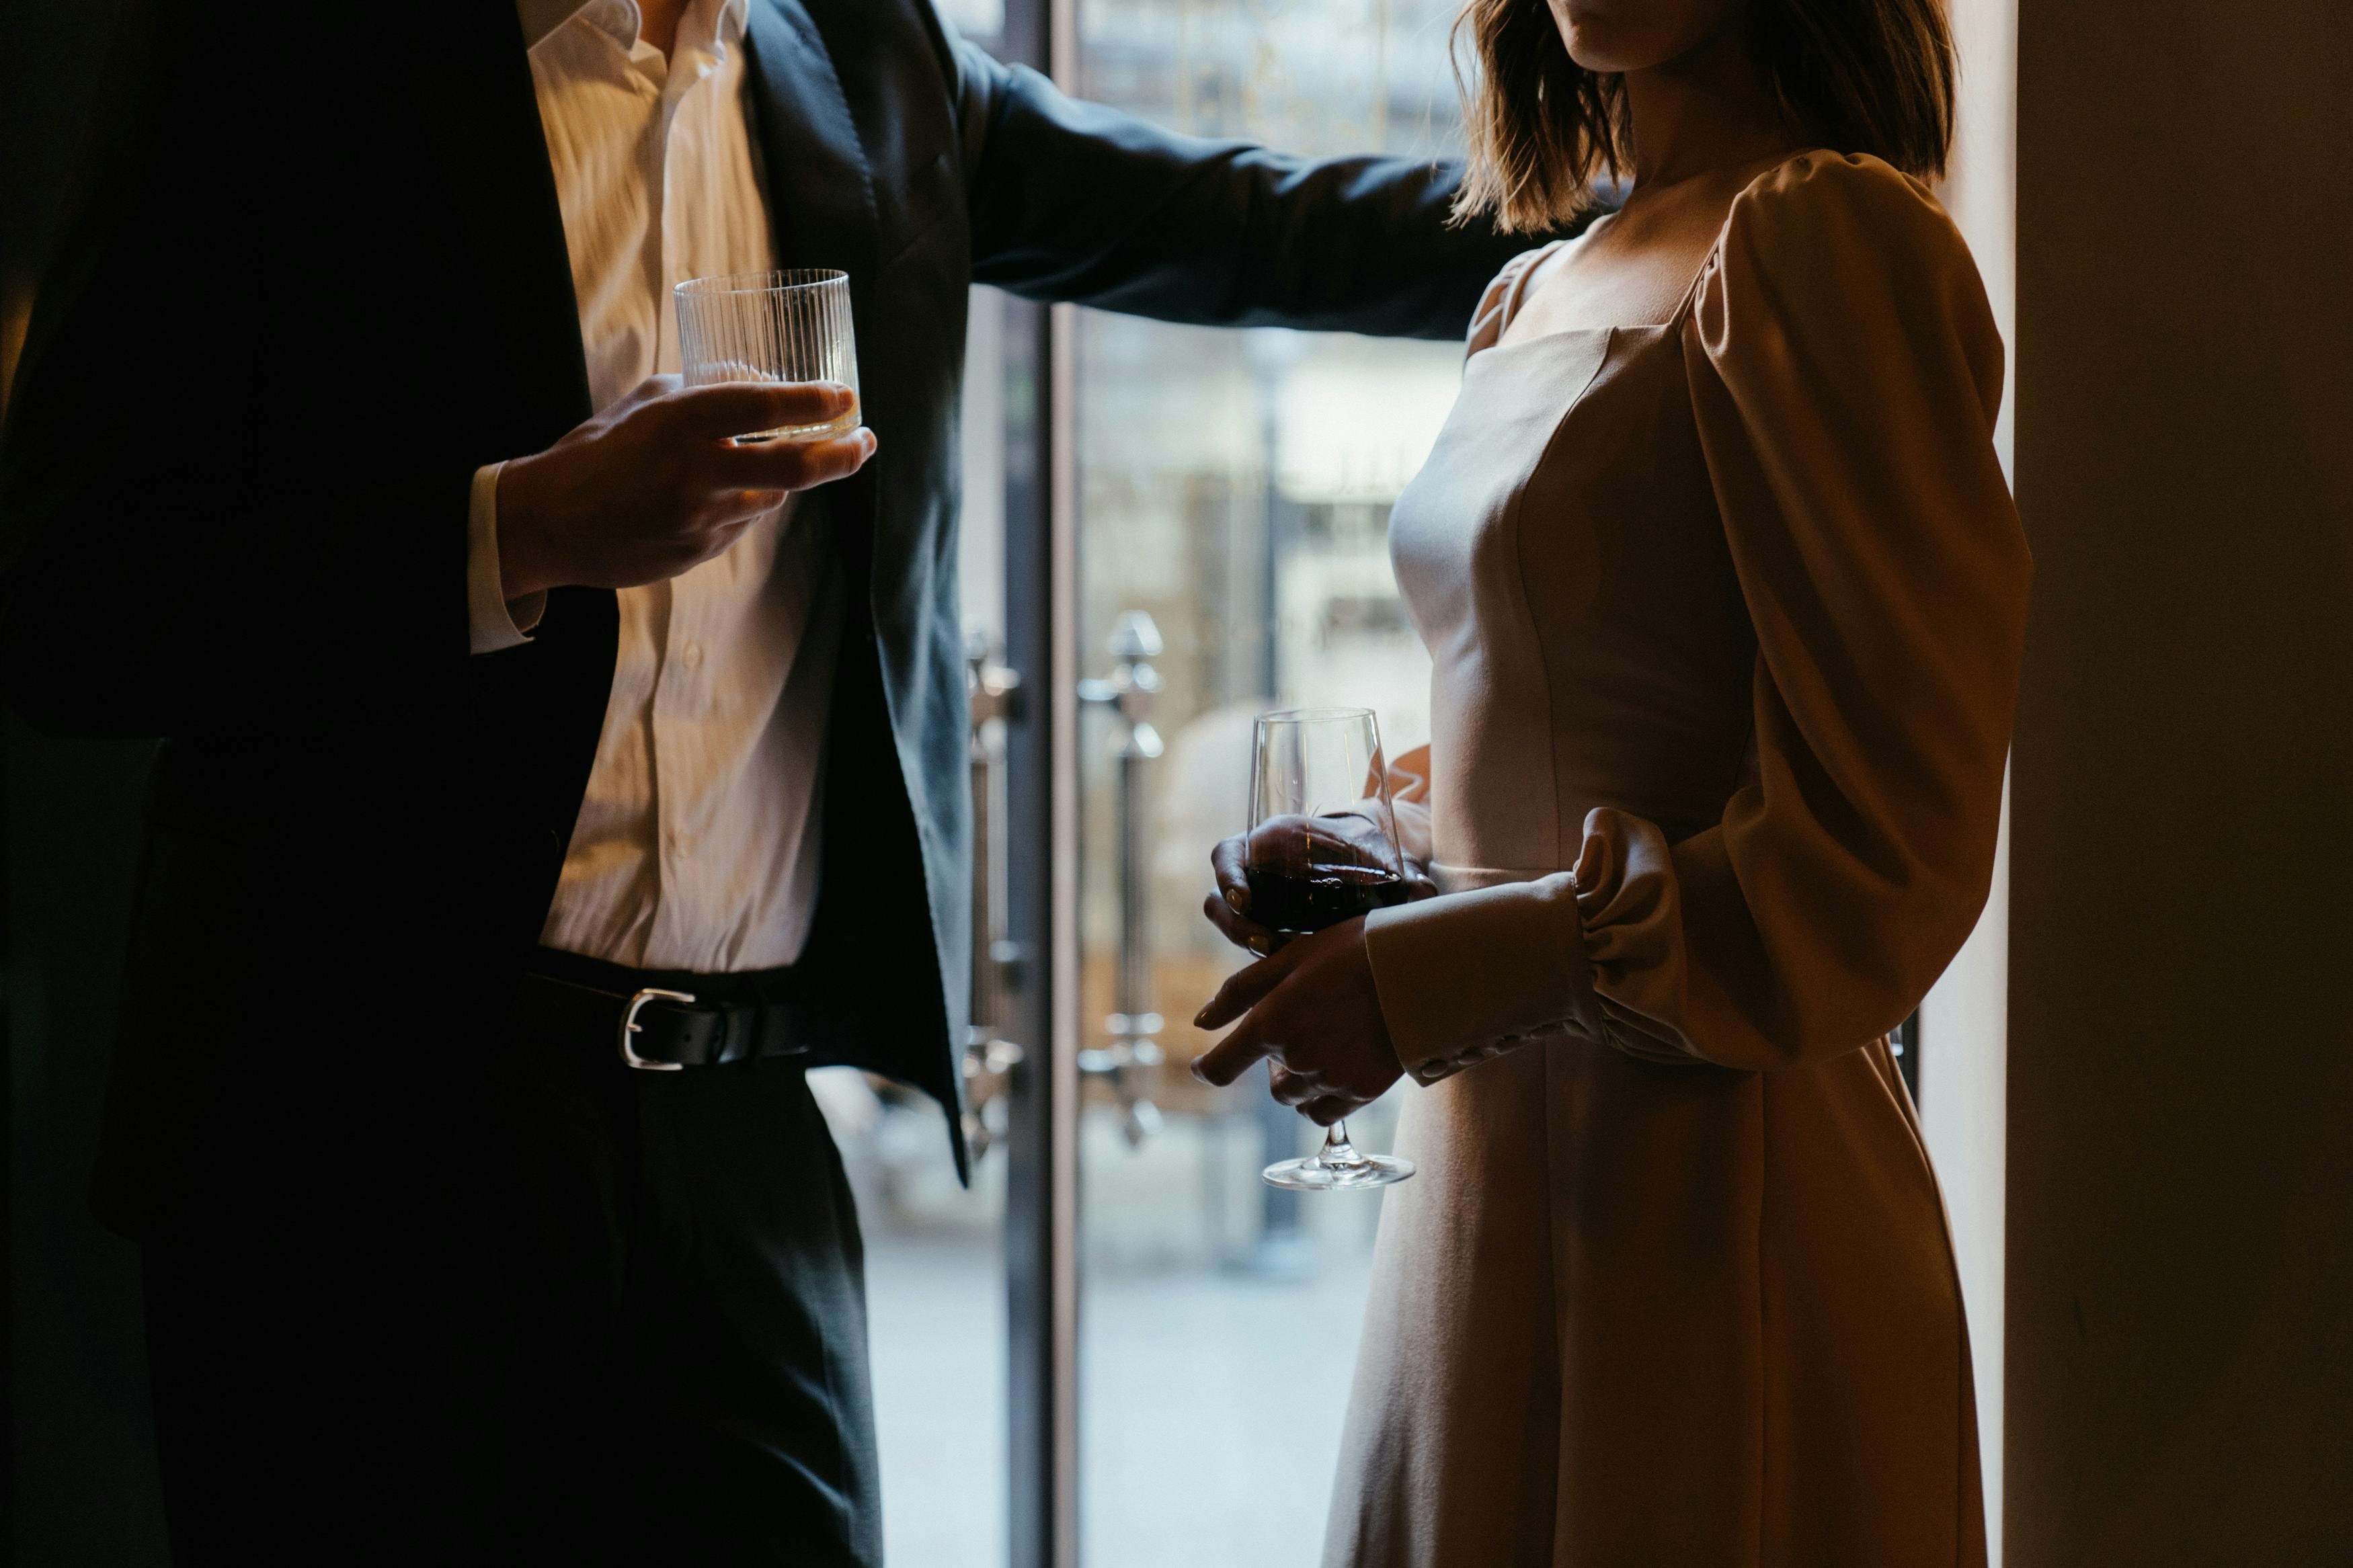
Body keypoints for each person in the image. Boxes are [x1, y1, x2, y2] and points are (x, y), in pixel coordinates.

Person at [0, 1, 1548, 1561]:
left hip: (741, 1128)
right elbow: (66, 599)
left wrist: (1667, 200)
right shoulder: (275, 54)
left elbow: (1250, 228)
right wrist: (516, 531)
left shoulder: (870, 64)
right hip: (353, 1115)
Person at [1193, 0, 2027, 1561]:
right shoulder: (1530, 291)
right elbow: (1566, 711)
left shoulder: (1827, 237)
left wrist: (1442, 972)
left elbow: (1882, 856)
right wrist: (1381, 850)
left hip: (1720, 1214)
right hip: (1479, 1185)